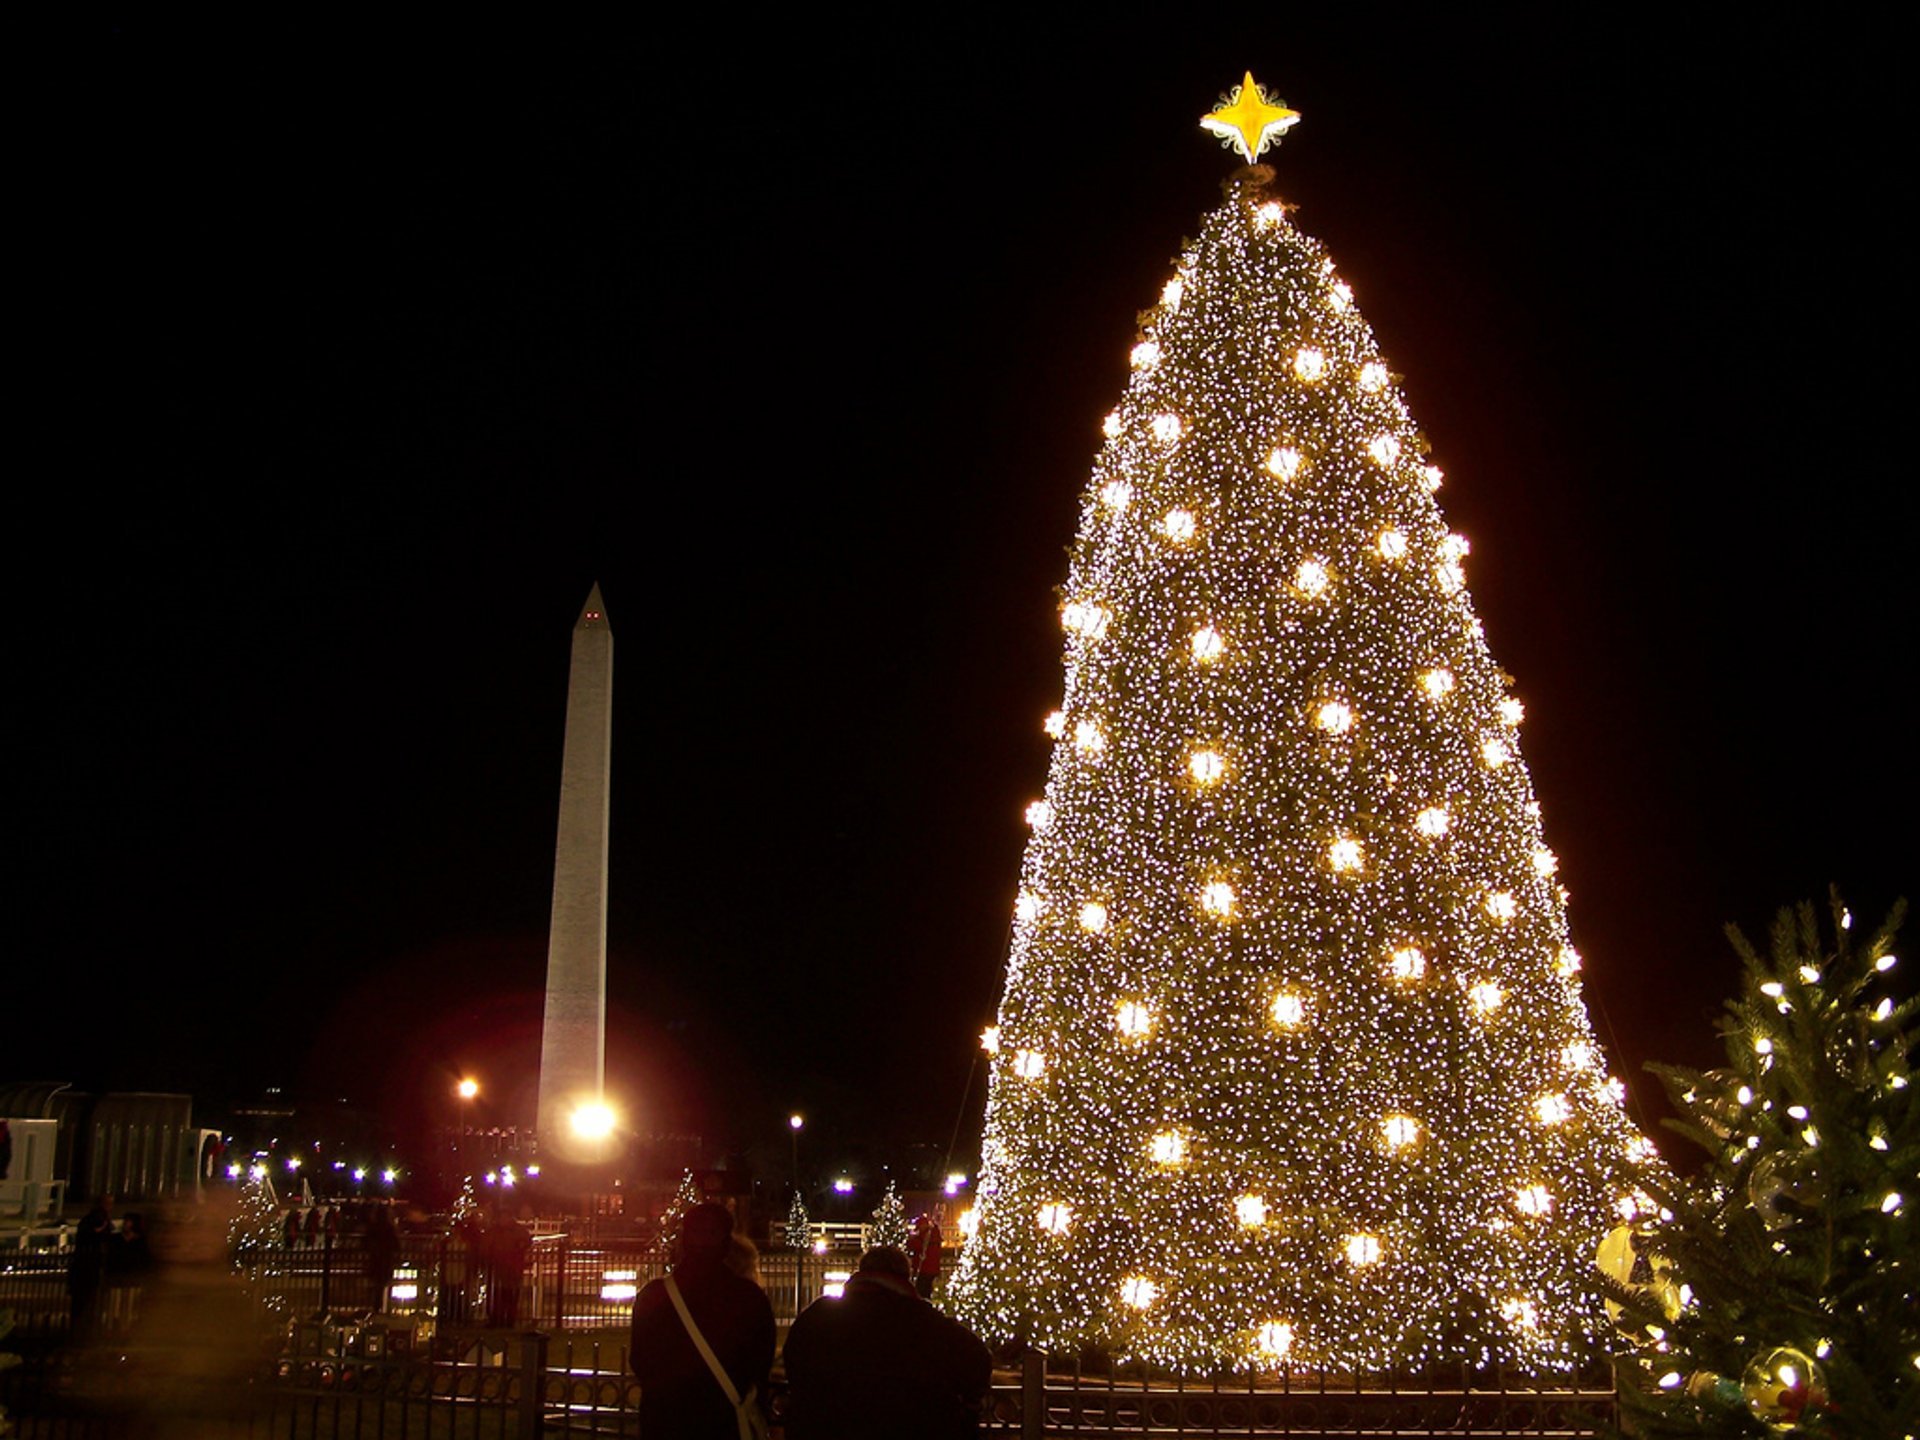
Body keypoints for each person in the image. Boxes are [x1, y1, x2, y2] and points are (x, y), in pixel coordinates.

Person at [782, 1244, 992, 1440]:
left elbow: (793, 1362)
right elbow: (978, 1362)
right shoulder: (927, 1323)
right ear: (904, 1278)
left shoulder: (819, 1318)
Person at [630, 1201, 774, 1439]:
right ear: (727, 1243)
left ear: (684, 1241)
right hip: (723, 1423)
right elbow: (760, 1363)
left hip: (667, 1422)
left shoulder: (654, 1296)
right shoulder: (749, 1299)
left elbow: (640, 1361)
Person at [67, 1194, 115, 1337]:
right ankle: (86, 1331)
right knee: (89, 1302)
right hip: (89, 1268)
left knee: (83, 1303)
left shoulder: (91, 1220)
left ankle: (81, 1330)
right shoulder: (98, 1220)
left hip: (85, 1268)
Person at [907, 1210, 944, 1299]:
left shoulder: (925, 1236)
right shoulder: (934, 1234)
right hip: (932, 1269)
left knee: (922, 1292)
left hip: (924, 1269)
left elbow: (913, 1245)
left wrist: (911, 1238)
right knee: (928, 1291)